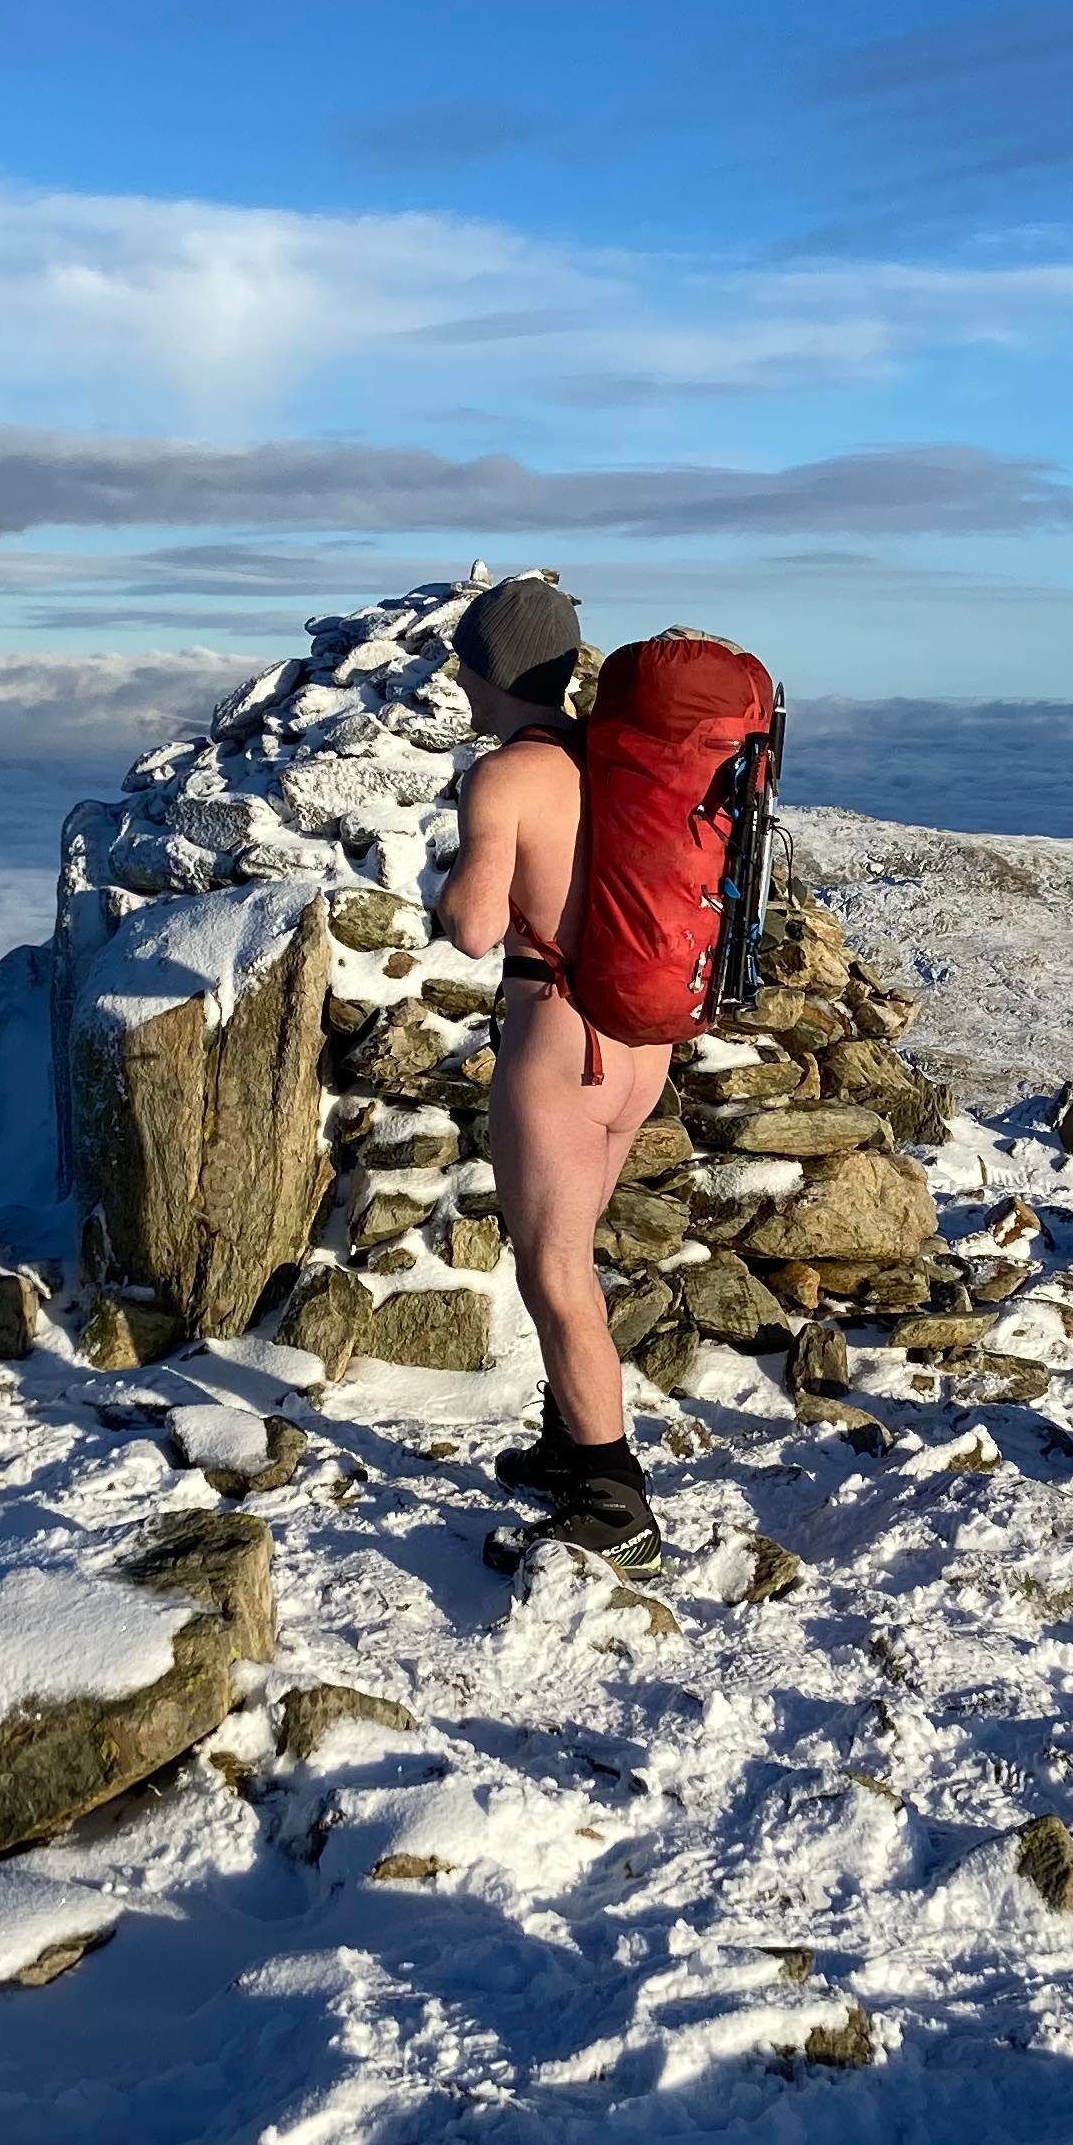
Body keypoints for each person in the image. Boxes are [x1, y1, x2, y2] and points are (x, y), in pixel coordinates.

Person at [434, 576, 669, 1572]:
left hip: (555, 1043)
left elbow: (477, 925)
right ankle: (570, 1446)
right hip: (637, 1048)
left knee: (555, 1272)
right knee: (573, 1259)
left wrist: (459, 874)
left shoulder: (508, 776)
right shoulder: (618, 764)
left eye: (465, 660)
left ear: (486, 669)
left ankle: (616, 1501)